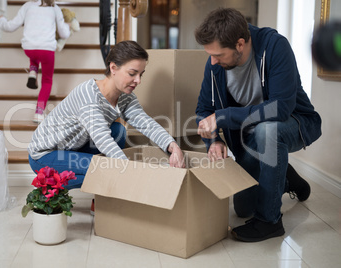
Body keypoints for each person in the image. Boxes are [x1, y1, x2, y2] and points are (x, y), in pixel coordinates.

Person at [194, 8, 322, 242]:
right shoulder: (214, 65)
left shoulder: (275, 47)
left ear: (240, 44)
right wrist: (214, 140)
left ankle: (269, 222)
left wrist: (223, 116)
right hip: (250, 141)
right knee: (243, 209)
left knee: (267, 131)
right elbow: (203, 110)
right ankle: (286, 178)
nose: (212, 61)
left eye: (218, 55)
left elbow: (280, 108)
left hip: (293, 123)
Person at [28, 40, 185, 192]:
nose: (138, 81)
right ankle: (48, 184)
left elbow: (146, 124)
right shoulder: (88, 96)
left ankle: (100, 198)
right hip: (44, 155)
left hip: (72, 147)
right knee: (106, 168)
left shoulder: (125, 97)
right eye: (132, 73)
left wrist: (173, 147)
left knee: (118, 131)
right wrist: (130, 171)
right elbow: (103, 140)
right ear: (113, 68)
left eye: (141, 75)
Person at [0, 0, 71, 123]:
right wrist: (67, 27)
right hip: (46, 51)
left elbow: (10, 26)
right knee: (47, 81)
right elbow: (64, 34)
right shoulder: (54, 8)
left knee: (35, 46)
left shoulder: (27, 6)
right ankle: (39, 111)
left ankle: (33, 70)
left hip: (29, 49)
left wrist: (1, 20)